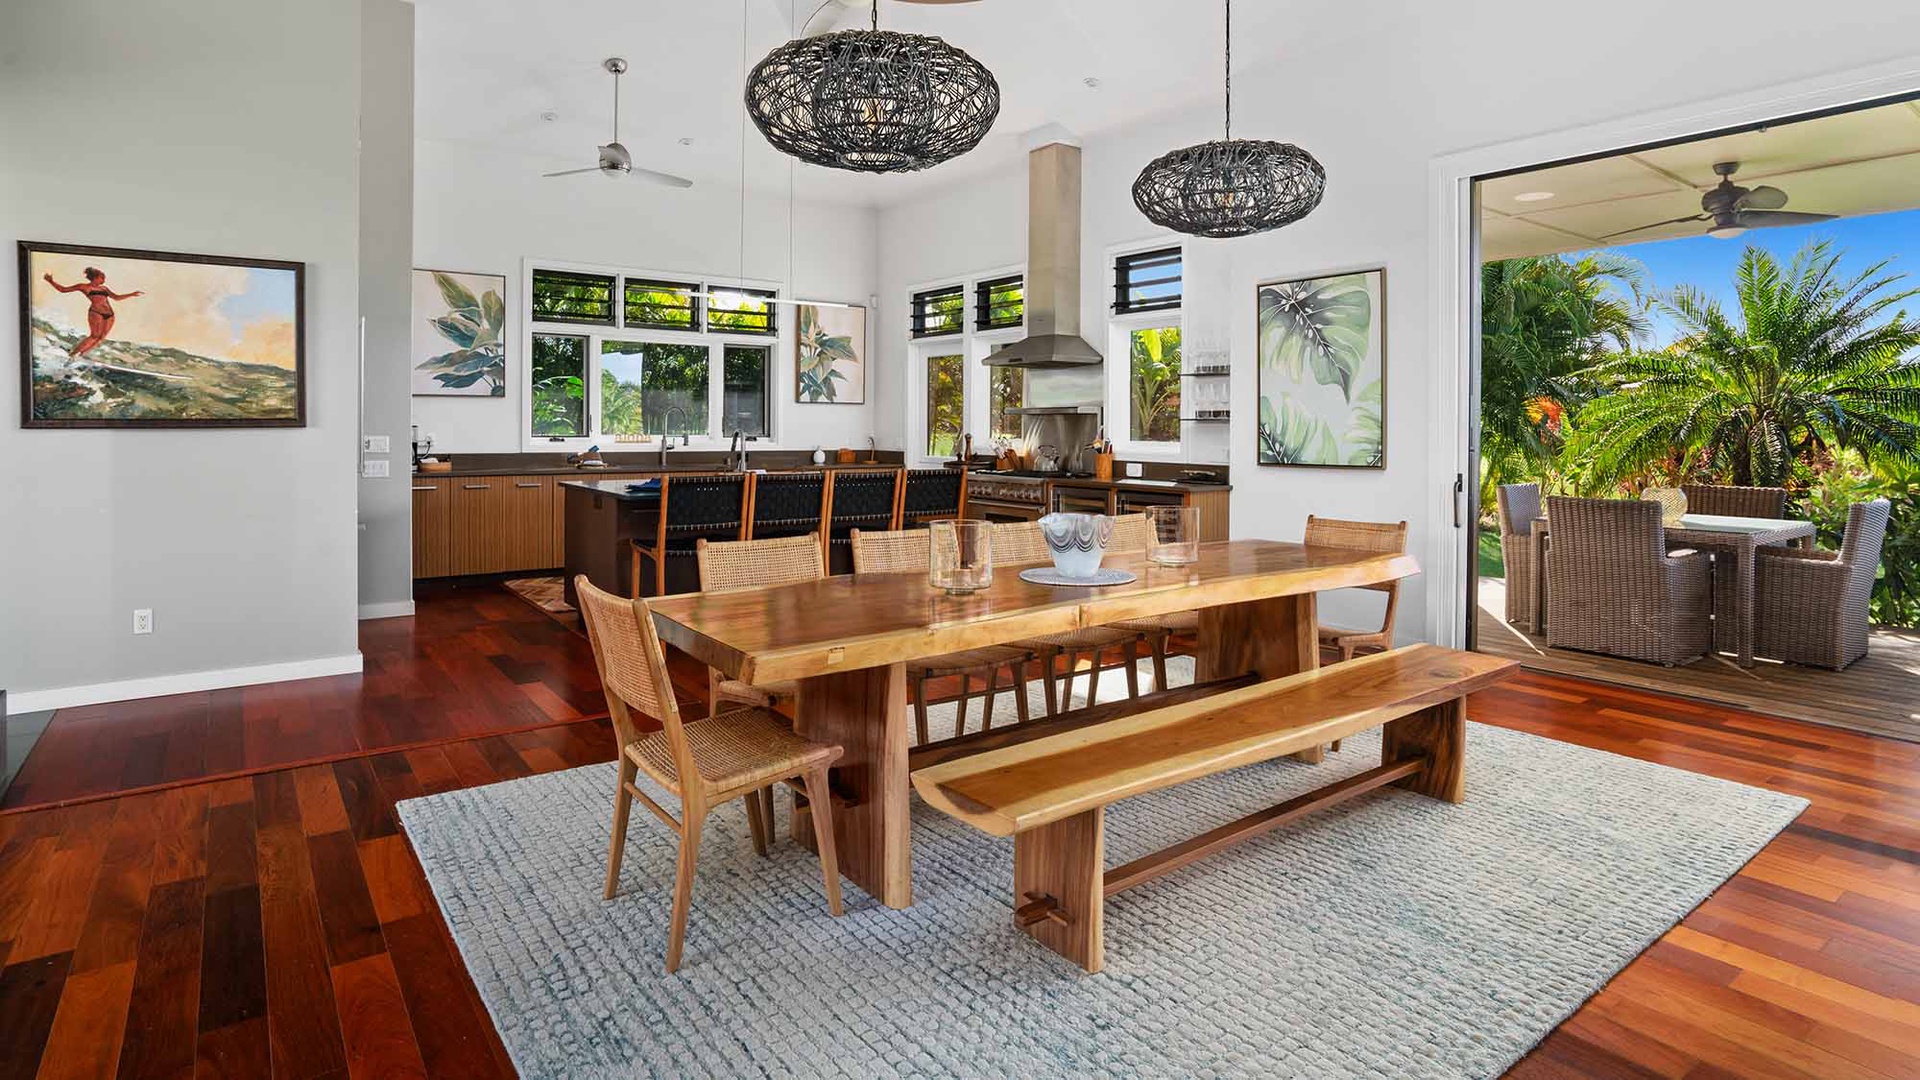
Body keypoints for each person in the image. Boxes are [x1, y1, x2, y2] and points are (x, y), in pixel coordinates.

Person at [43, 266, 143, 358]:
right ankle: (72, 354)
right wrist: (51, 281)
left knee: (101, 338)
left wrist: (131, 294)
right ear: (95, 277)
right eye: (102, 278)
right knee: (94, 336)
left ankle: (82, 354)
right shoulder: (83, 286)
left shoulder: (104, 288)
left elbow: (116, 297)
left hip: (110, 315)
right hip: (96, 313)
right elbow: (63, 290)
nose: (104, 280)